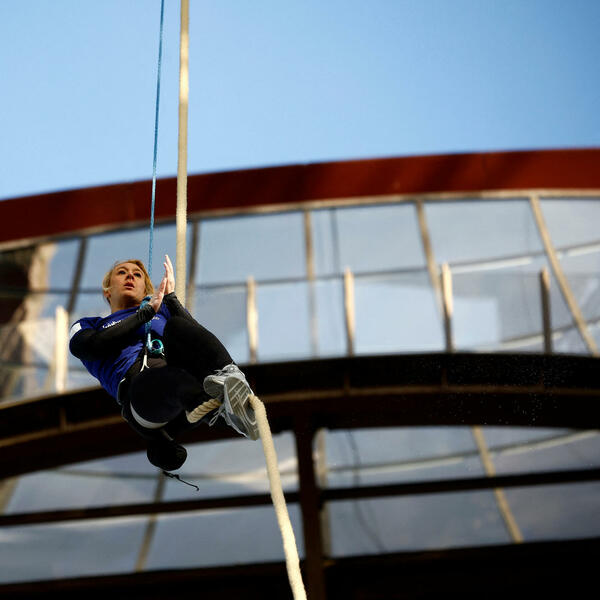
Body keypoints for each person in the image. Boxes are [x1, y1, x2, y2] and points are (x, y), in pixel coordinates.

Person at [69, 254, 258, 472]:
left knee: (178, 326)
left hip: (183, 390)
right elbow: (89, 347)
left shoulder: (163, 311)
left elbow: (196, 337)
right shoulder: (89, 325)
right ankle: (221, 416)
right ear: (107, 291)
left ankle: (232, 383)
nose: (130, 276)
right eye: (122, 272)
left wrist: (171, 299)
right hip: (143, 398)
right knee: (175, 380)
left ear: (145, 290)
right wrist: (144, 315)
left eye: (137, 275)